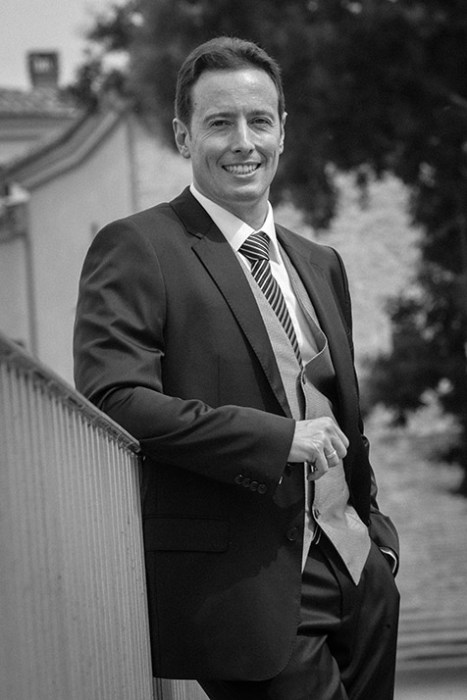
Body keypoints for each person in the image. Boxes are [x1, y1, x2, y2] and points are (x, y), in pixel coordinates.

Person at [73, 36, 400, 700]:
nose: (243, 142)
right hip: (245, 590)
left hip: (358, 573)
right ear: (183, 136)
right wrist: (277, 439)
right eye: (219, 122)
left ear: (283, 131)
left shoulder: (320, 262)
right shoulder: (139, 246)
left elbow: (341, 411)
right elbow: (114, 396)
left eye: (259, 121)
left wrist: (378, 541)